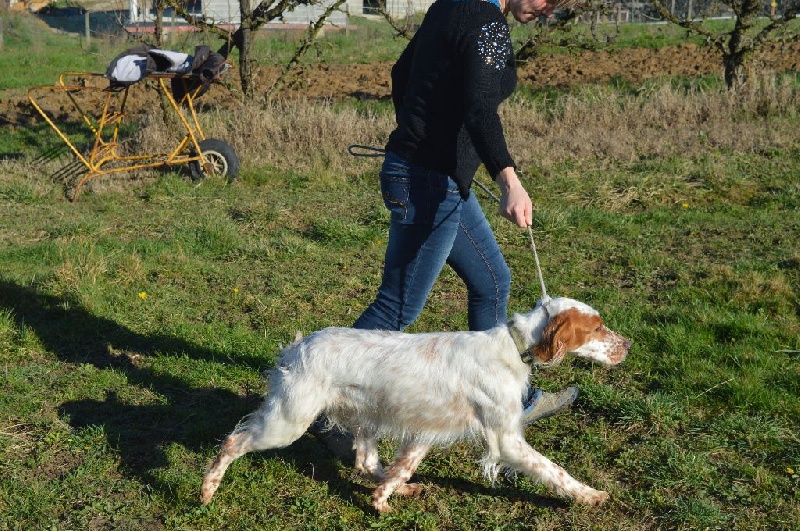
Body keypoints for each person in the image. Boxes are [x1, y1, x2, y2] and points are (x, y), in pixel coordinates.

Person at [311, 0, 578, 459]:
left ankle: (513, 398)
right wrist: (508, 181)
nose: (547, 10)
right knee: (397, 307)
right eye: (546, 0)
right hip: (427, 184)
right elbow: (480, 111)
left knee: (492, 280)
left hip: (434, 178)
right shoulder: (486, 21)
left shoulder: (451, 5)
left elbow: (401, 72)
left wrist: (424, 139)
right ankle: (323, 408)